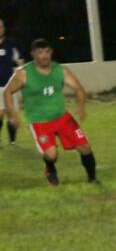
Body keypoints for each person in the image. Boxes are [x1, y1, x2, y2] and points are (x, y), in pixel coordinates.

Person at [3, 39, 97, 186]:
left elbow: (78, 89)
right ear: (33, 54)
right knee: (51, 155)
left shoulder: (60, 70)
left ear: (51, 52)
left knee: (85, 148)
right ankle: (50, 168)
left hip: (62, 118)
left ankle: (93, 180)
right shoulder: (24, 73)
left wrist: (81, 107)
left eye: (47, 52)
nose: (44, 55)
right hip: (39, 122)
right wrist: (13, 115)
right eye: (40, 52)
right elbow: (7, 92)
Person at [0, 19, 24, 146]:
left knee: (11, 113)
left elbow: (19, 61)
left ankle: (12, 140)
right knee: (0, 113)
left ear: (4, 28)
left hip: (10, 86)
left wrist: (21, 73)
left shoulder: (10, 44)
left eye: (1, 27)